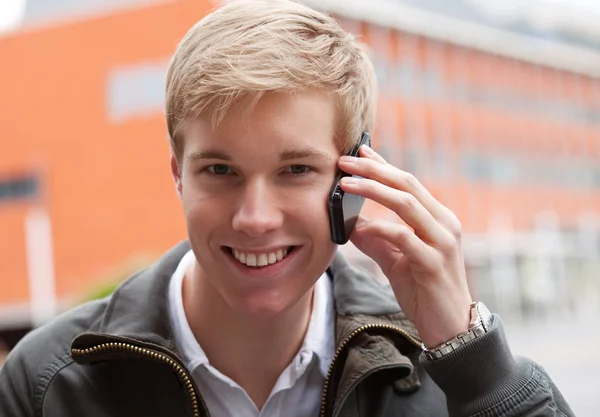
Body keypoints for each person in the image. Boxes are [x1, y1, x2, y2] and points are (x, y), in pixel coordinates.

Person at [0, 1, 574, 416]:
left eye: (295, 170)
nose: (255, 217)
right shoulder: (47, 384)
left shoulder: (436, 372)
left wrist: (477, 368)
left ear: (356, 175)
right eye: (220, 170)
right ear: (178, 173)